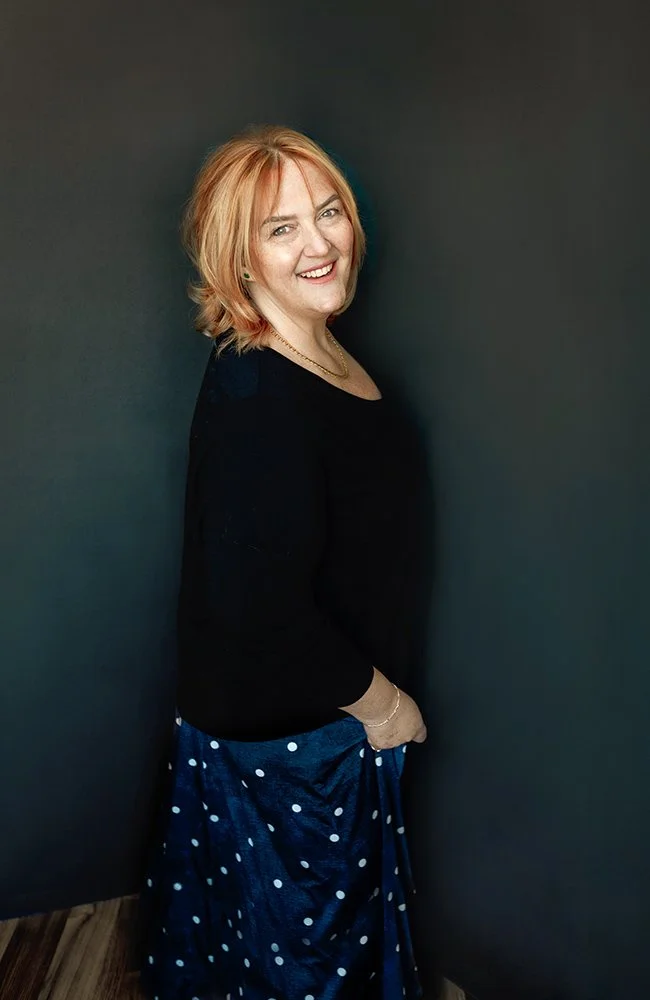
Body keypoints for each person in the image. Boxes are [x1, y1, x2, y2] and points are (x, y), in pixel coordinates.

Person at [139, 124, 428, 1000]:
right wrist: (387, 708)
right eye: (280, 228)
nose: (319, 243)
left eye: (328, 211)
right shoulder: (256, 391)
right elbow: (258, 608)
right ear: (239, 257)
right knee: (302, 971)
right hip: (291, 741)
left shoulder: (316, 346)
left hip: (320, 725)